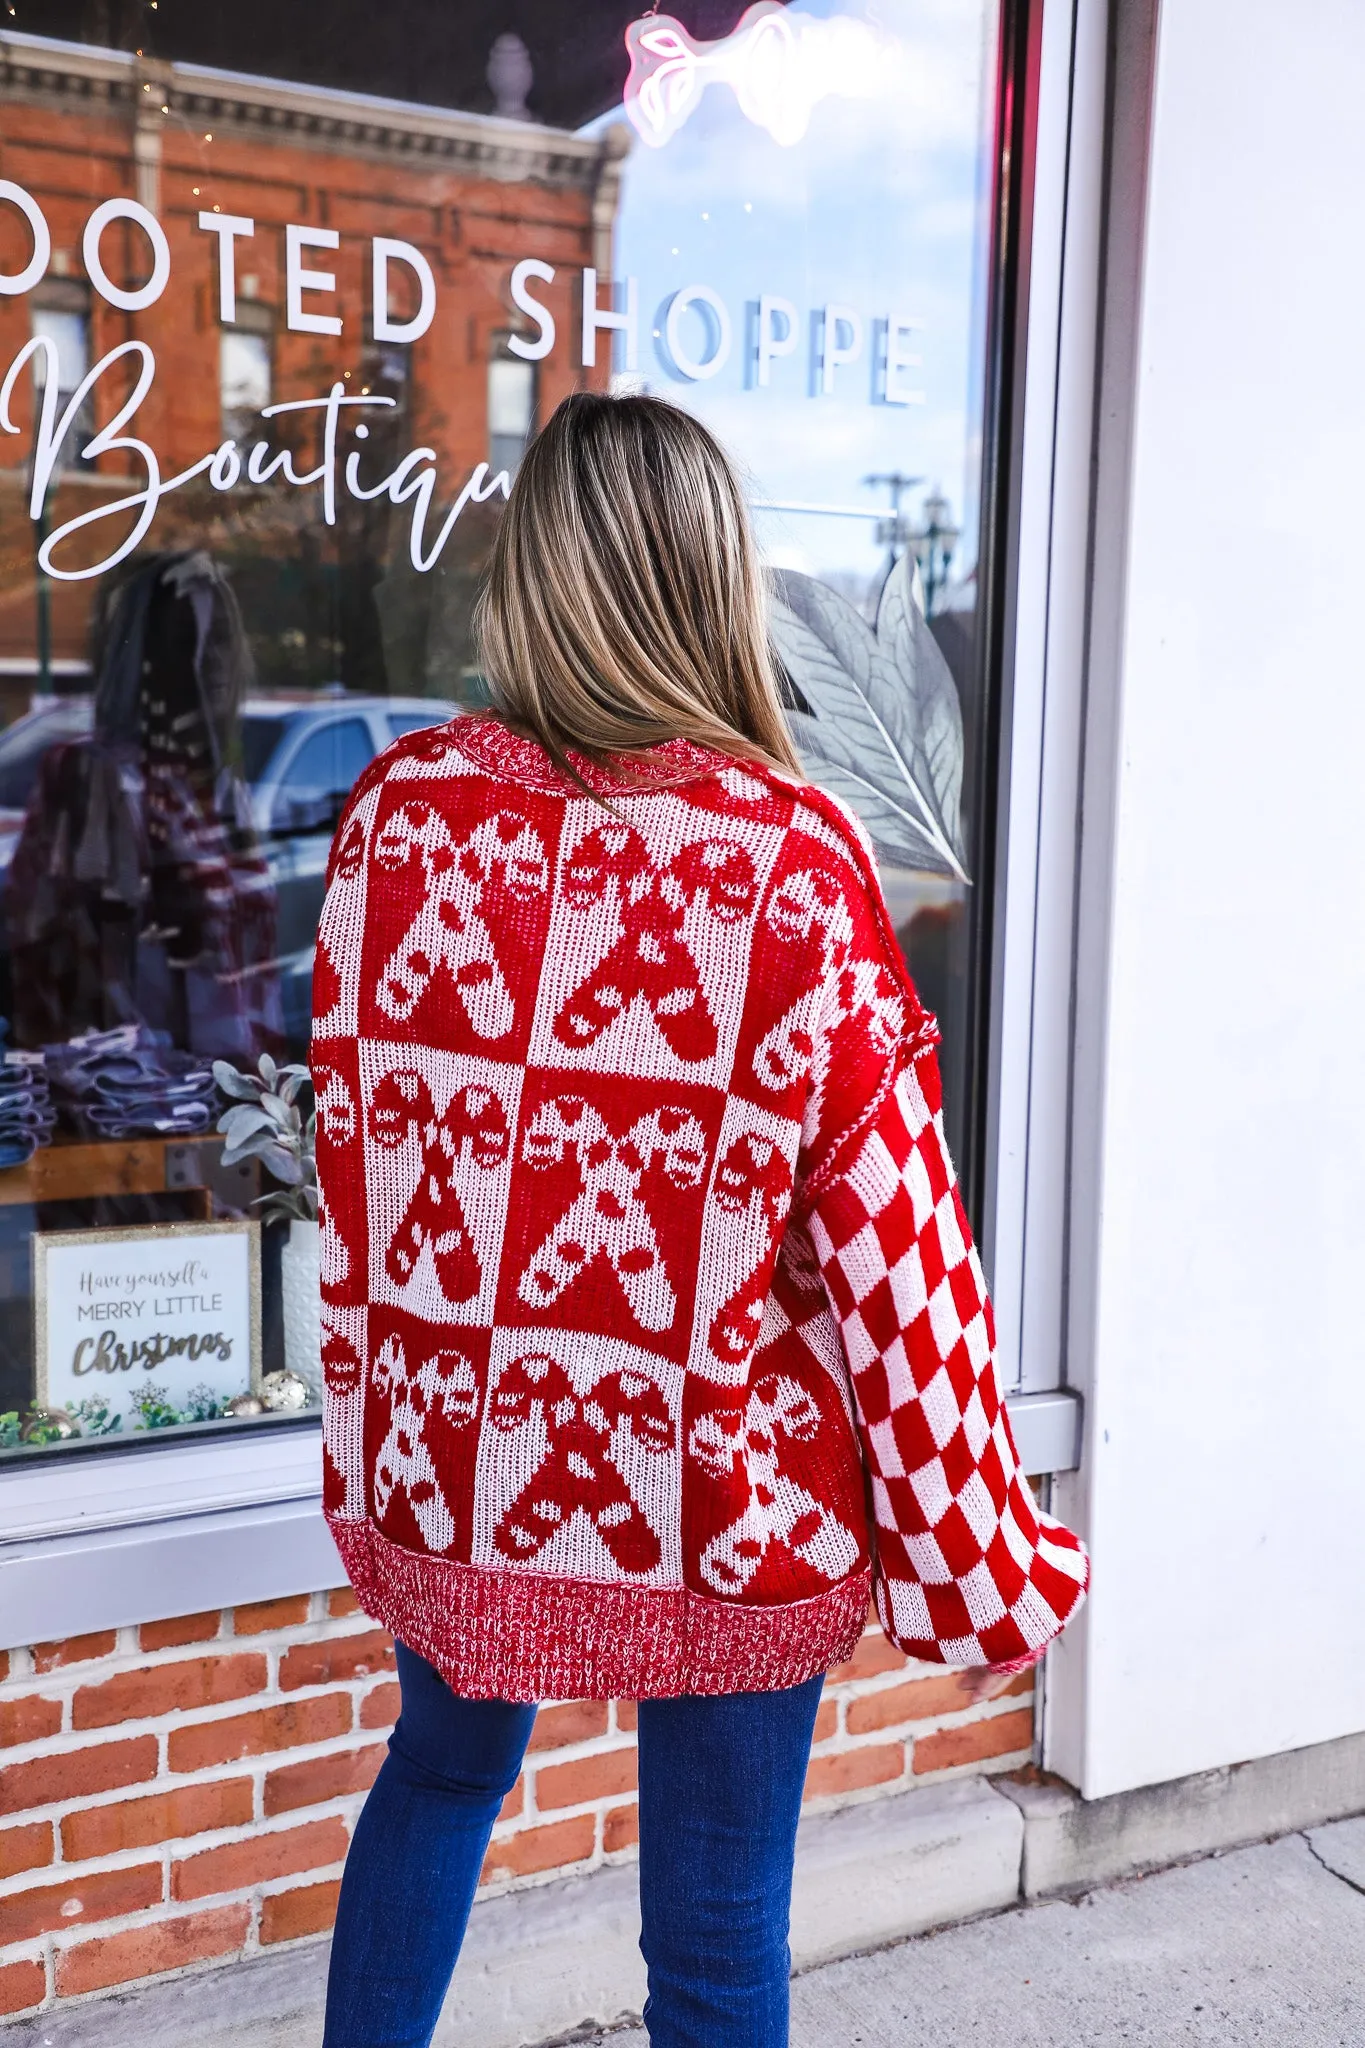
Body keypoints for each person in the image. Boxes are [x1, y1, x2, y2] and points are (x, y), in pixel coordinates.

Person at [313, 392, 1088, 2048]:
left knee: (438, 1779)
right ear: (716, 580)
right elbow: (901, 1250)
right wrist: (977, 1557)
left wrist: (378, 1445)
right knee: (719, 1939)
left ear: (534, 576)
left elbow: (359, 1173)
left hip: (474, 1461)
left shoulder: (400, 820)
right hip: (733, 1487)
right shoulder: (789, 859)